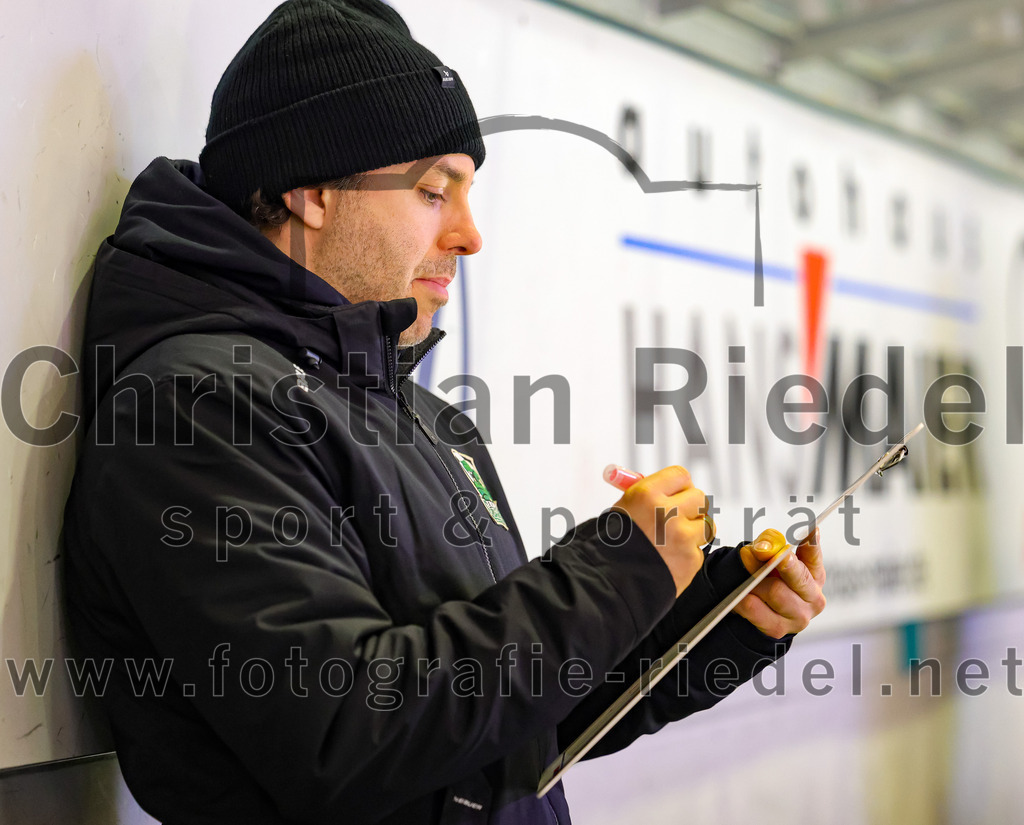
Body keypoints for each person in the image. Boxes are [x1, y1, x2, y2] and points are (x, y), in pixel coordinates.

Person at [62, 1, 826, 823]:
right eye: (434, 190)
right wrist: (615, 574)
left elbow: (498, 725)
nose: (468, 235)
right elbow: (348, 732)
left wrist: (705, 623)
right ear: (313, 191)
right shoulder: (194, 410)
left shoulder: (423, 419)